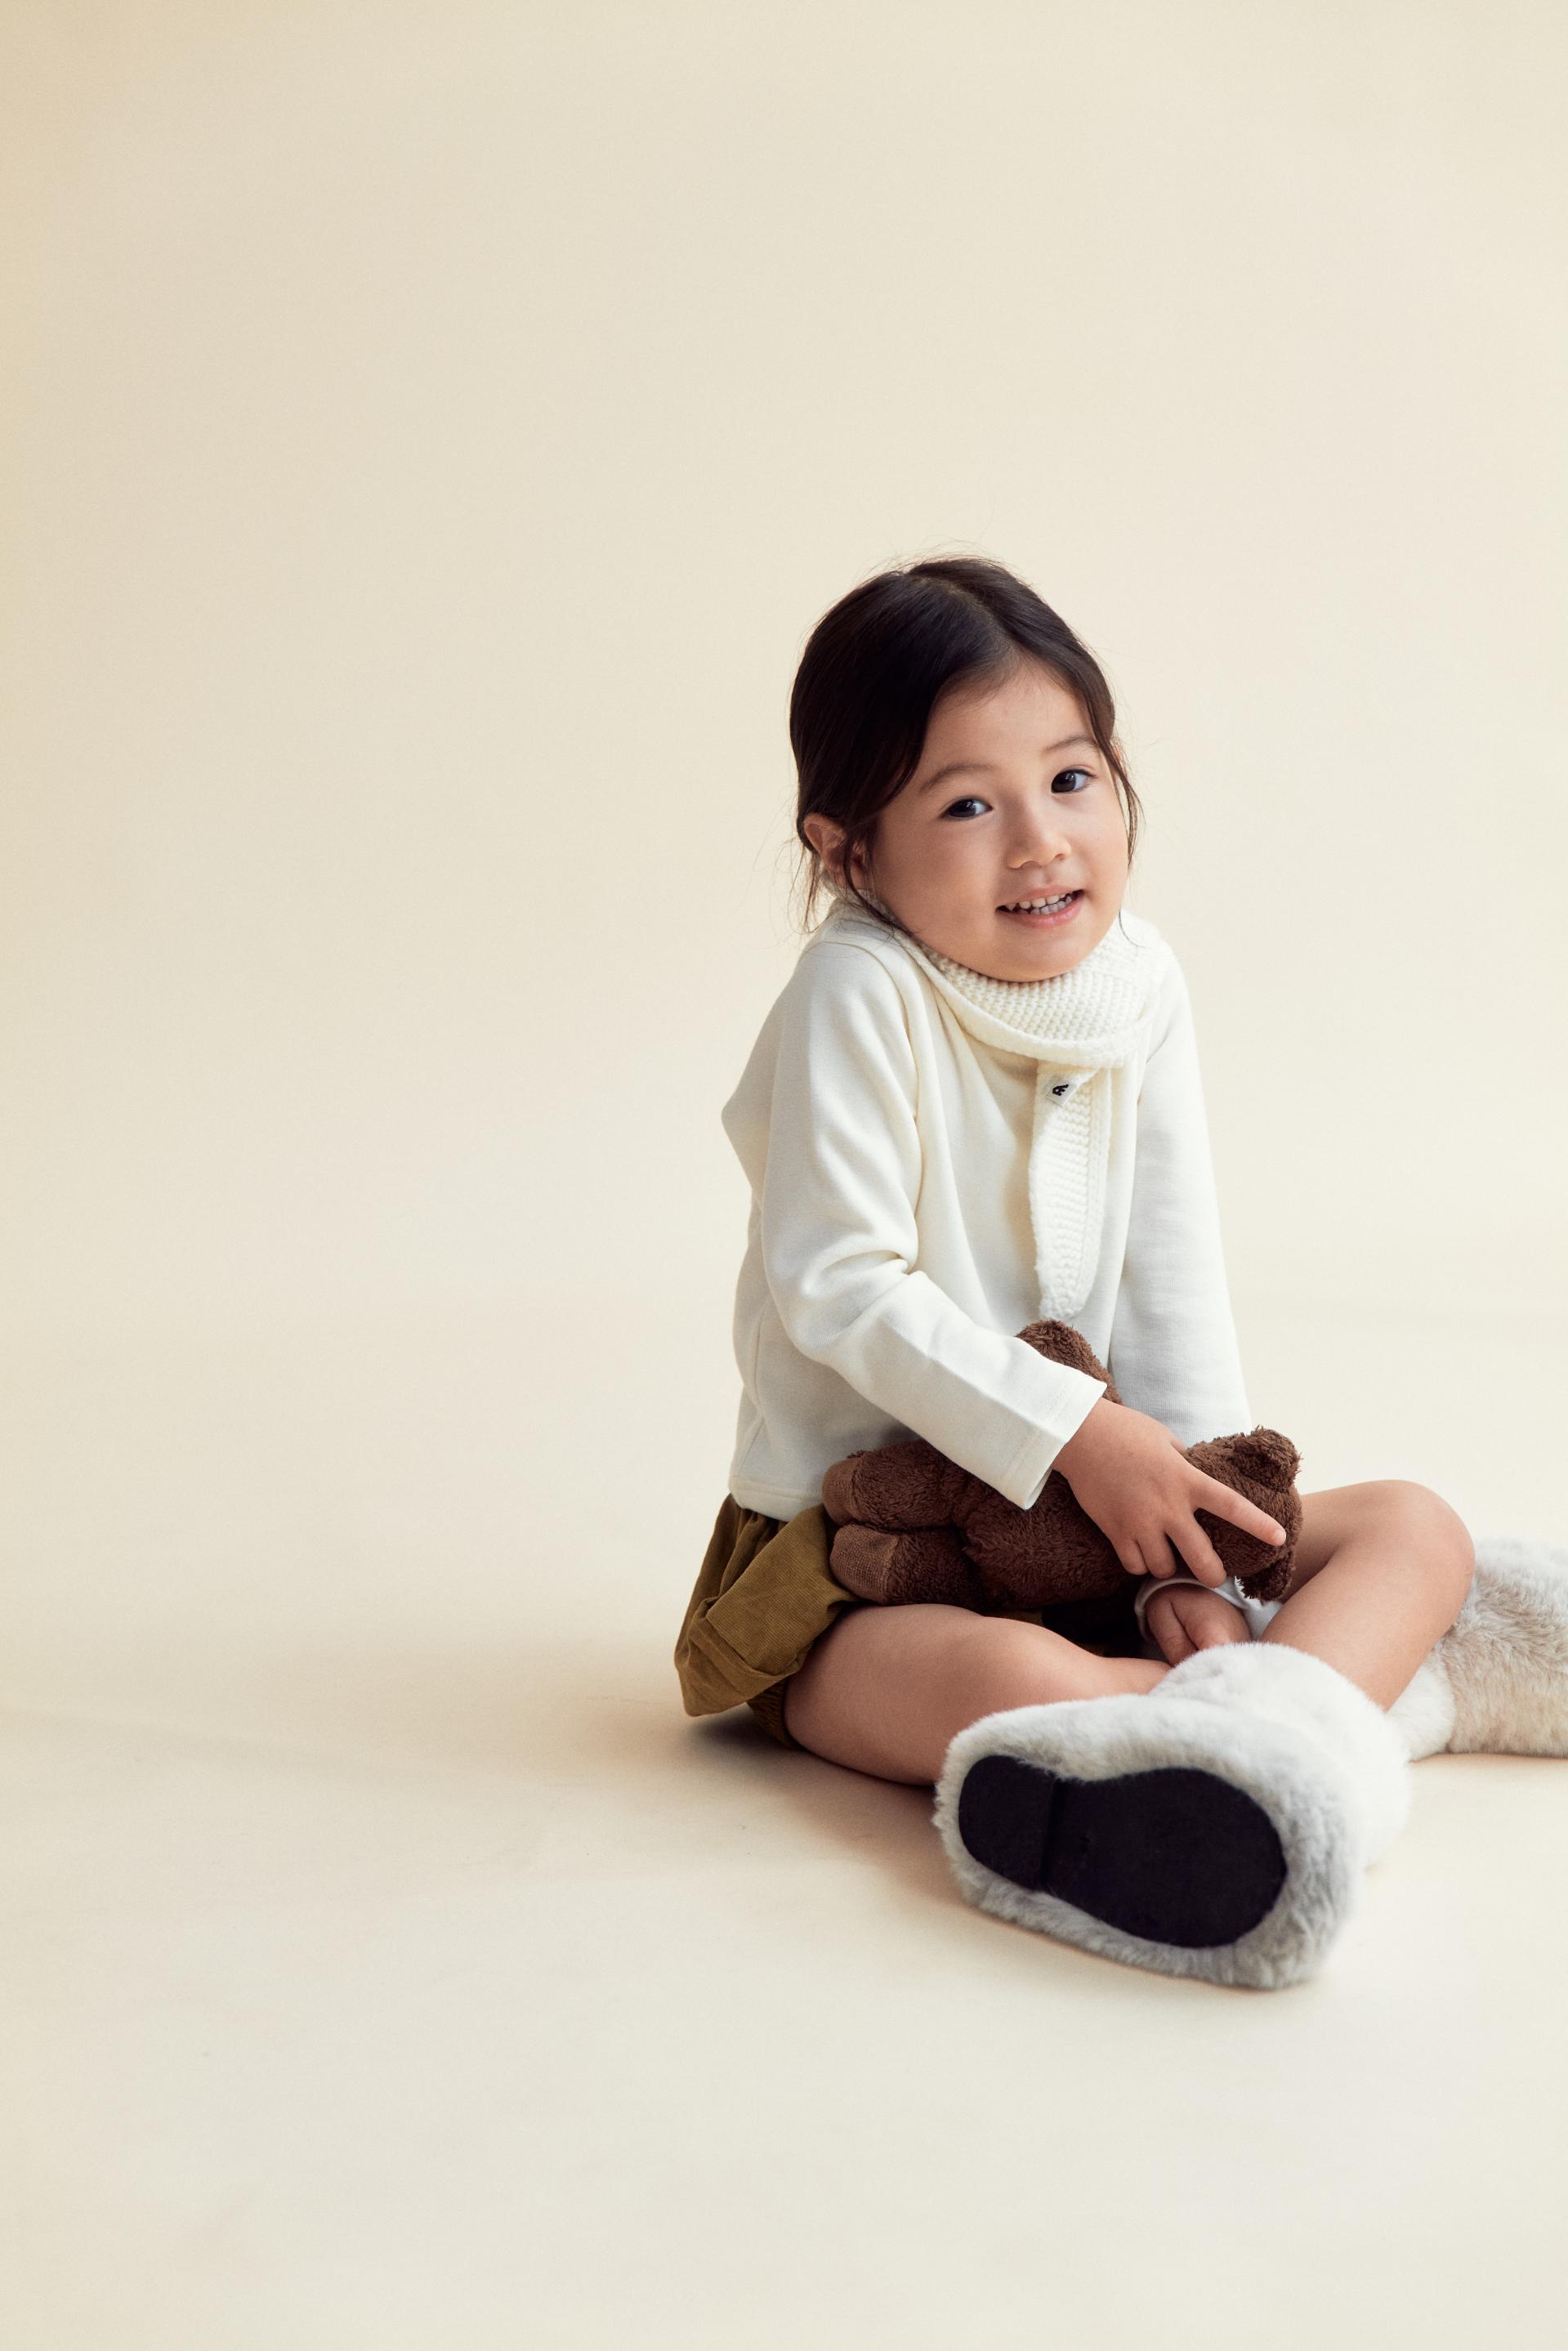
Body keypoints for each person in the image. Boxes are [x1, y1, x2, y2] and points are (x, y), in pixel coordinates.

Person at [672, 556, 1476, 1984]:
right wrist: (1081, 1437)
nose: (1040, 843)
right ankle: (1272, 1737)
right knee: (1019, 1677)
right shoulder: (858, 991)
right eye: (966, 805)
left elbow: (1173, 1278)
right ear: (849, 853)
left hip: (1095, 1529)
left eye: (1071, 778)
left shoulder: (1139, 984)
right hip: (870, 1562)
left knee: (1418, 1527)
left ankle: (1236, 1745)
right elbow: (841, 1281)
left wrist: (1193, 1551)